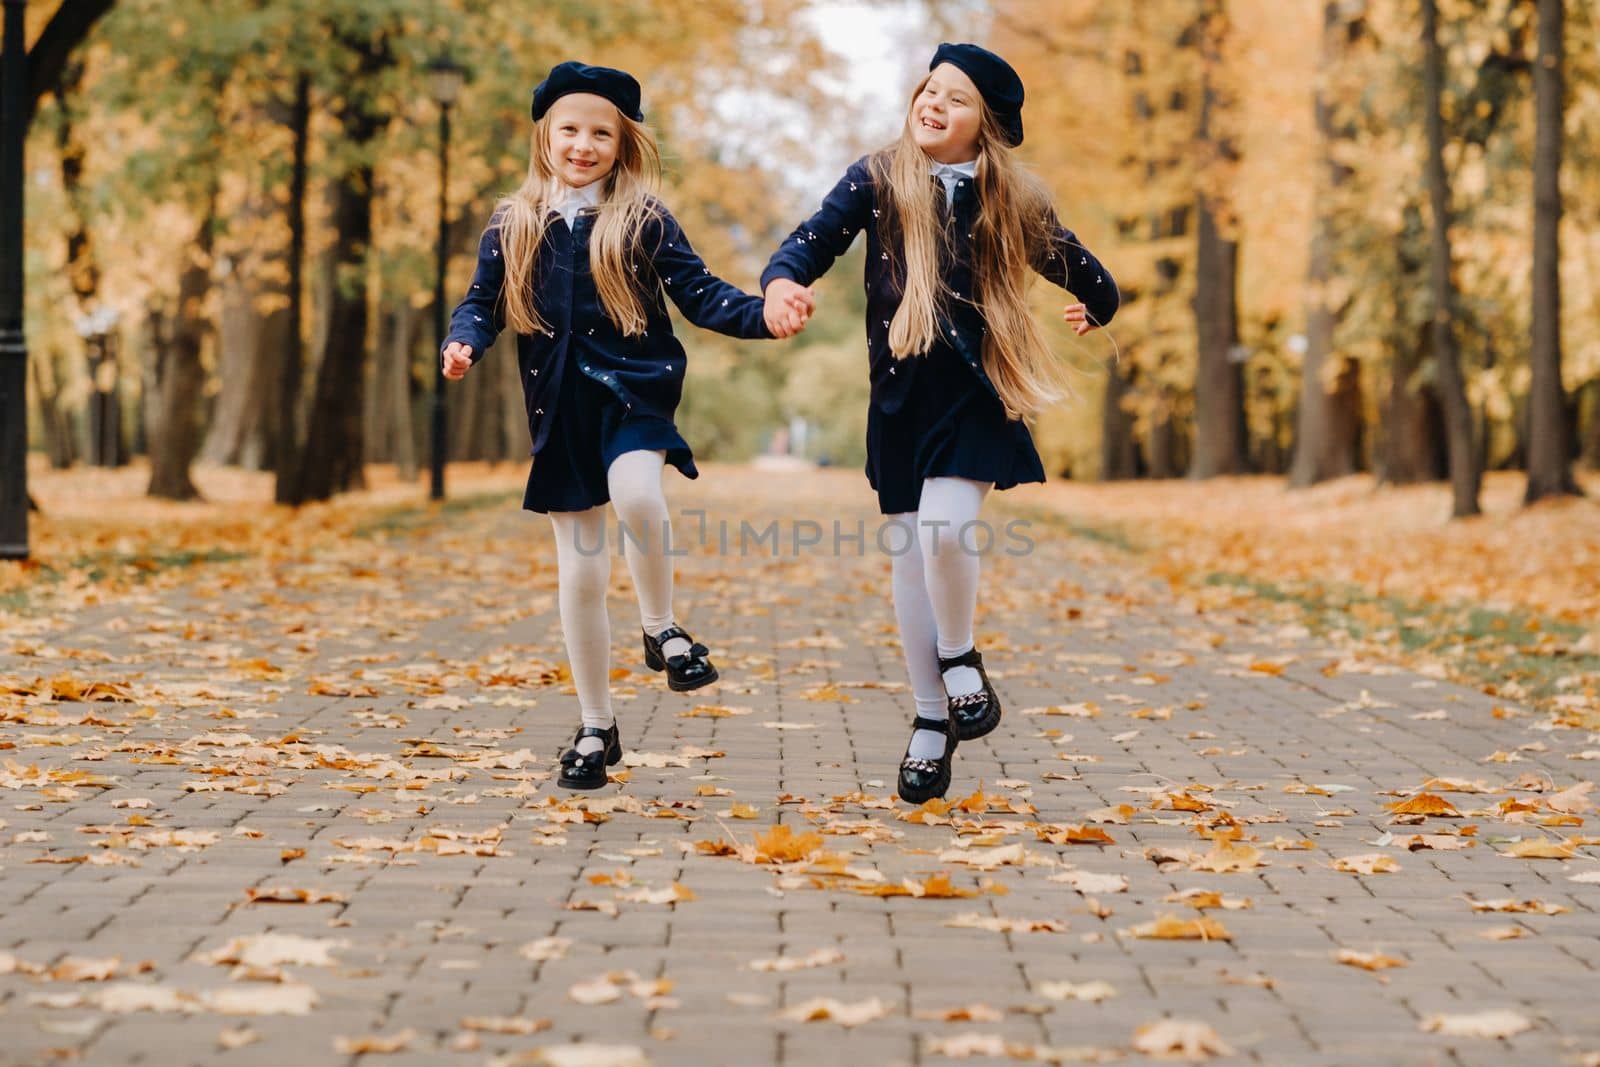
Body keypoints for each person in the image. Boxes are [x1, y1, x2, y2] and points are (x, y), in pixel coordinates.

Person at [759, 43, 1119, 803]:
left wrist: (1101, 303)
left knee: (945, 532)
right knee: (908, 559)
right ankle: (931, 720)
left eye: (956, 100)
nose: (935, 104)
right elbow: (812, 239)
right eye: (931, 89)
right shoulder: (877, 177)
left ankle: (959, 658)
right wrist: (784, 282)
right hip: (898, 400)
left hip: (978, 394)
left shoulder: (1011, 197)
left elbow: (1079, 264)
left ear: (984, 125)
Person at [441, 61, 812, 790]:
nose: (583, 144)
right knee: (579, 573)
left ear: (623, 142)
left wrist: (766, 315)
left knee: (641, 494)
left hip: (633, 397)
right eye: (570, 129)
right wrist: (465, 342)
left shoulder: (643, 220)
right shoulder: (513, 222)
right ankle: (595, 725)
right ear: (545, 135)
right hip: (559, 410)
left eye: (601, 132)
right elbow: (482, 302)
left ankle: (663, 625)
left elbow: (703, 296)